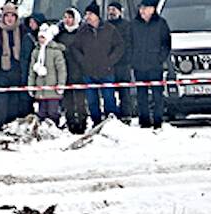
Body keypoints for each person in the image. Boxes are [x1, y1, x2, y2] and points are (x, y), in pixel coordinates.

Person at [0, 3, 34, 129]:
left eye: (12, 16)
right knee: (1, 101)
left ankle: (12, 124)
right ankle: (0, 124)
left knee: (15, 100)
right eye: (7, 15)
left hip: (17, 70)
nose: (9, 19)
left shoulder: (23, 31)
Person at [72, 3, 124, 124]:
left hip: (106, 71)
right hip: (88, 72)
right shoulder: (82, 31)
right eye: (86, 14)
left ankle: (111, 123)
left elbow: (120, 46)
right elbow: (75, 48)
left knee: (109, 99)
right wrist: (82, 61)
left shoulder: (109, 29)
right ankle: (96, 122)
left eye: (90, 14)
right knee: (92, 101)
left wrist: (110, 61)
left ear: (97, 15)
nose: (87, 17)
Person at [128, 0, 170, 129]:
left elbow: (166, 44)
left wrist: (160, 59)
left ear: (152, 9)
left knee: (157, 95)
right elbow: (129, 43)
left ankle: (158, 120)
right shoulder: (134, 24)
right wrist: (132, 60)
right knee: (141, 95)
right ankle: (144, 120)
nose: (142, 11)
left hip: (155, 66)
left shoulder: (161, 23)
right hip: (139, 65)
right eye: (141, 8)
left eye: (145, 8)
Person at [55, 7, 89, 133]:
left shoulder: (83, 33)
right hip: (65, 71)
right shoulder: (59, 34)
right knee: (67, 101)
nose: (67, 20)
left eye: (70, 17)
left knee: (80, 101)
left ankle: (82, 123)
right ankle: (70, 123)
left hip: (80, 71)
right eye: (65, 17)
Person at [29, 22, 67, 125]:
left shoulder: (56, 52)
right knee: (41, 112)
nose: (41, 40)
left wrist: (61, 84)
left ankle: (54, 127)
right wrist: (31, 86)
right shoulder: (36, 52)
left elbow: (61, 70)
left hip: (53, 89)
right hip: (40, 89)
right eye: (40, 38)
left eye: (43, 38)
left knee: (52, 112)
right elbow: (32, 71)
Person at [105, 0, 134, 120]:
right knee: (108, 92)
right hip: (108, 65)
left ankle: (126, 115)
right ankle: (110, 115)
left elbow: (130, 44)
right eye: (109, 10)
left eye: (114, 10)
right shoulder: (104, 26)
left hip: (123, 64)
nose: (111, 12)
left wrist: (127, 59)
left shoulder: (127, 25)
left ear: (120, 12)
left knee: (124, 92)